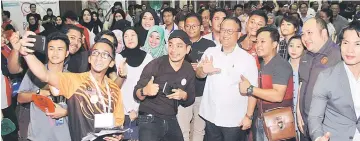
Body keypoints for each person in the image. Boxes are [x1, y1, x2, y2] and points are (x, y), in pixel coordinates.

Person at [18, 32, 125, 141]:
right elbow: (45, 75)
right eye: (95, 53)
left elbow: (118, 121)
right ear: (89, 58)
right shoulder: (74, 80)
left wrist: (119, 135)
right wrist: (27, 54)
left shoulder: (114, 88)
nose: (99, 57)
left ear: (111, 62)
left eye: (105, 54)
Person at [197, 17, 258, 141]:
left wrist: (249, 116)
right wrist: (203, 70)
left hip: (234, 120)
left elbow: (253, 91)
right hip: (211, 115)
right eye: (223, 30)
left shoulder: (247, 59)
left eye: (229, 31)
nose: (225, 34)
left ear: (239, 34)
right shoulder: (210, 52)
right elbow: (198, 74)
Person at [133, 30, 195, 141]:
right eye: (170, 45)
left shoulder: (188, 69)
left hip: (171, 117)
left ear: (188, 49)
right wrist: (145, 91)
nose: (173, 50)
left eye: (179, 46)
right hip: (149, 117)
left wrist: (184, 95)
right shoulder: (155, 64)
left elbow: (190, 100)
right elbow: (136, 93)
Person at [308, 20, 360, 141]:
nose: (349, 50)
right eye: (345, 43)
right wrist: (318, 137)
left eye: (357, 44)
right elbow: (315, 117)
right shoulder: (326, 77)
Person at [239, 26, 294, 141]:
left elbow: (277, 96)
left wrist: (250, 89)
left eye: (263, 41)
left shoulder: (280, 65)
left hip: (278, 122)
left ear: (274, 44)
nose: (258, 45)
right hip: (262, 118)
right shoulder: (263, 64)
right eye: (257, 41)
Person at [17, 32, 71, 141]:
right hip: (37, 136)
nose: (55, 53)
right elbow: (20, 98)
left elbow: (79, 109)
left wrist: (66, 112)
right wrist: (38, 93)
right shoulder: (34, 71)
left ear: (67, 53)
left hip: (63, 136)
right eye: (51, 48)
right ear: (47, 51)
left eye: (60, 49)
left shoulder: (71, 78)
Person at [297, 17, 341, 141]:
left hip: (326, 129)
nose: (305, 38)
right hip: (305, 124)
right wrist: (298, 112)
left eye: (310, 33)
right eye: (303, 34)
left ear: (324, 33)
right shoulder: (305, 56)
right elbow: (302, 83)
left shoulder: (339, 56)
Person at [179, 13, 216, 141]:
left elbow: (215, 69)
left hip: (202, 93)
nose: (190, 29)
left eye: (194, 26)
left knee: (199, 129)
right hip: (183, 93)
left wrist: (202, 68)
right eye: (187, 26)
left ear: (201, 27)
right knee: (183, 128)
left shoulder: (210, 45)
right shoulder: (179, 43)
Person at [115, 28, 153, 140]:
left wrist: (137, 108)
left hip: (144, 108)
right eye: (126, 36)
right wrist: (129, 109)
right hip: (124, 109)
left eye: (133, 35)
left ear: (138, 37)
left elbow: (149, 84)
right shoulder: (119, 58)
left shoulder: (148, 57)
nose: (129, 38)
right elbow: (120, 87)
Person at [287, 35, 305, 138]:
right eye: (291, 45)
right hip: (286, 115)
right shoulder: (283, 66)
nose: (294, 49)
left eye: (298, 46)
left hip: (302, 114)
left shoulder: (307, 68)